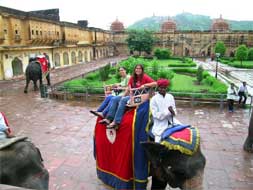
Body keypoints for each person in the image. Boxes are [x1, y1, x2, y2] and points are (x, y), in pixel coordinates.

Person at [103, 64, 157, 129]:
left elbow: (155, 83)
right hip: (132, 96)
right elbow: (128, 88)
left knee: (123, 100)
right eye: (136, 68)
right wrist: (123, 96)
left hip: (140, 97)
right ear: (134, 70)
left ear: (142, 70)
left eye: (140, 69)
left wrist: (145, 85)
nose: (138, 70)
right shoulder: (132, 77)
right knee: (115, 99)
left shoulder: (145, 77)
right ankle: (109, 118)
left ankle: (116, 121)